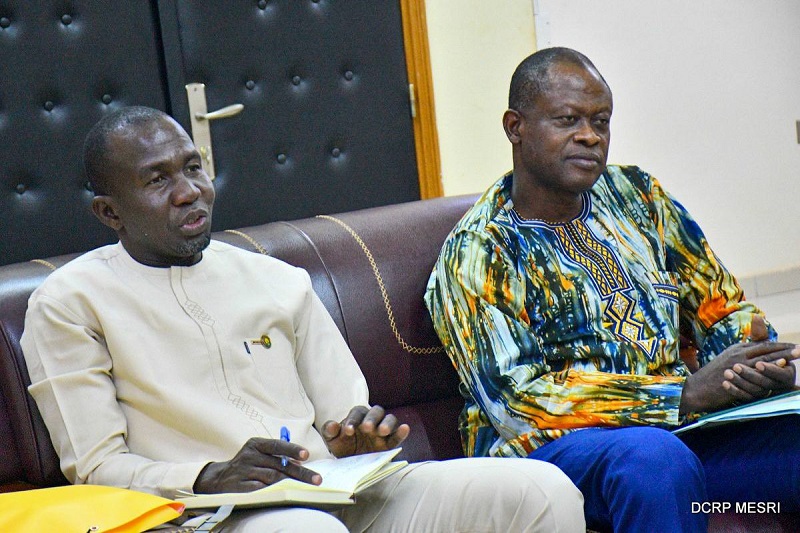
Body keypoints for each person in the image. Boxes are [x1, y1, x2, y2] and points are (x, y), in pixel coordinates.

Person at [20, 106, 585, 532]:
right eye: (157, 180)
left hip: (333, 492)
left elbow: (344, 415)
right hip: (205, 514)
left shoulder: (274, 278)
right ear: (109, 212)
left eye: (193, 168)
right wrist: (207, 475)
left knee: (540, 488)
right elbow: (96, 467)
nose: (190, 192)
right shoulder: (70, 304)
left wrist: (357, 439)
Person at [425, 47, 800, 532]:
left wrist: (752, 363)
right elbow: (521, 403)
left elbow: (718, 304)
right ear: (516, 127)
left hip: (684, 435)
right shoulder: (480, 251)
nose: (590, 136)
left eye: (600, 121)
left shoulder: (637, 195)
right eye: (568, 120)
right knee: (653, 461)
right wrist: (680, 394)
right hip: (551, 458)